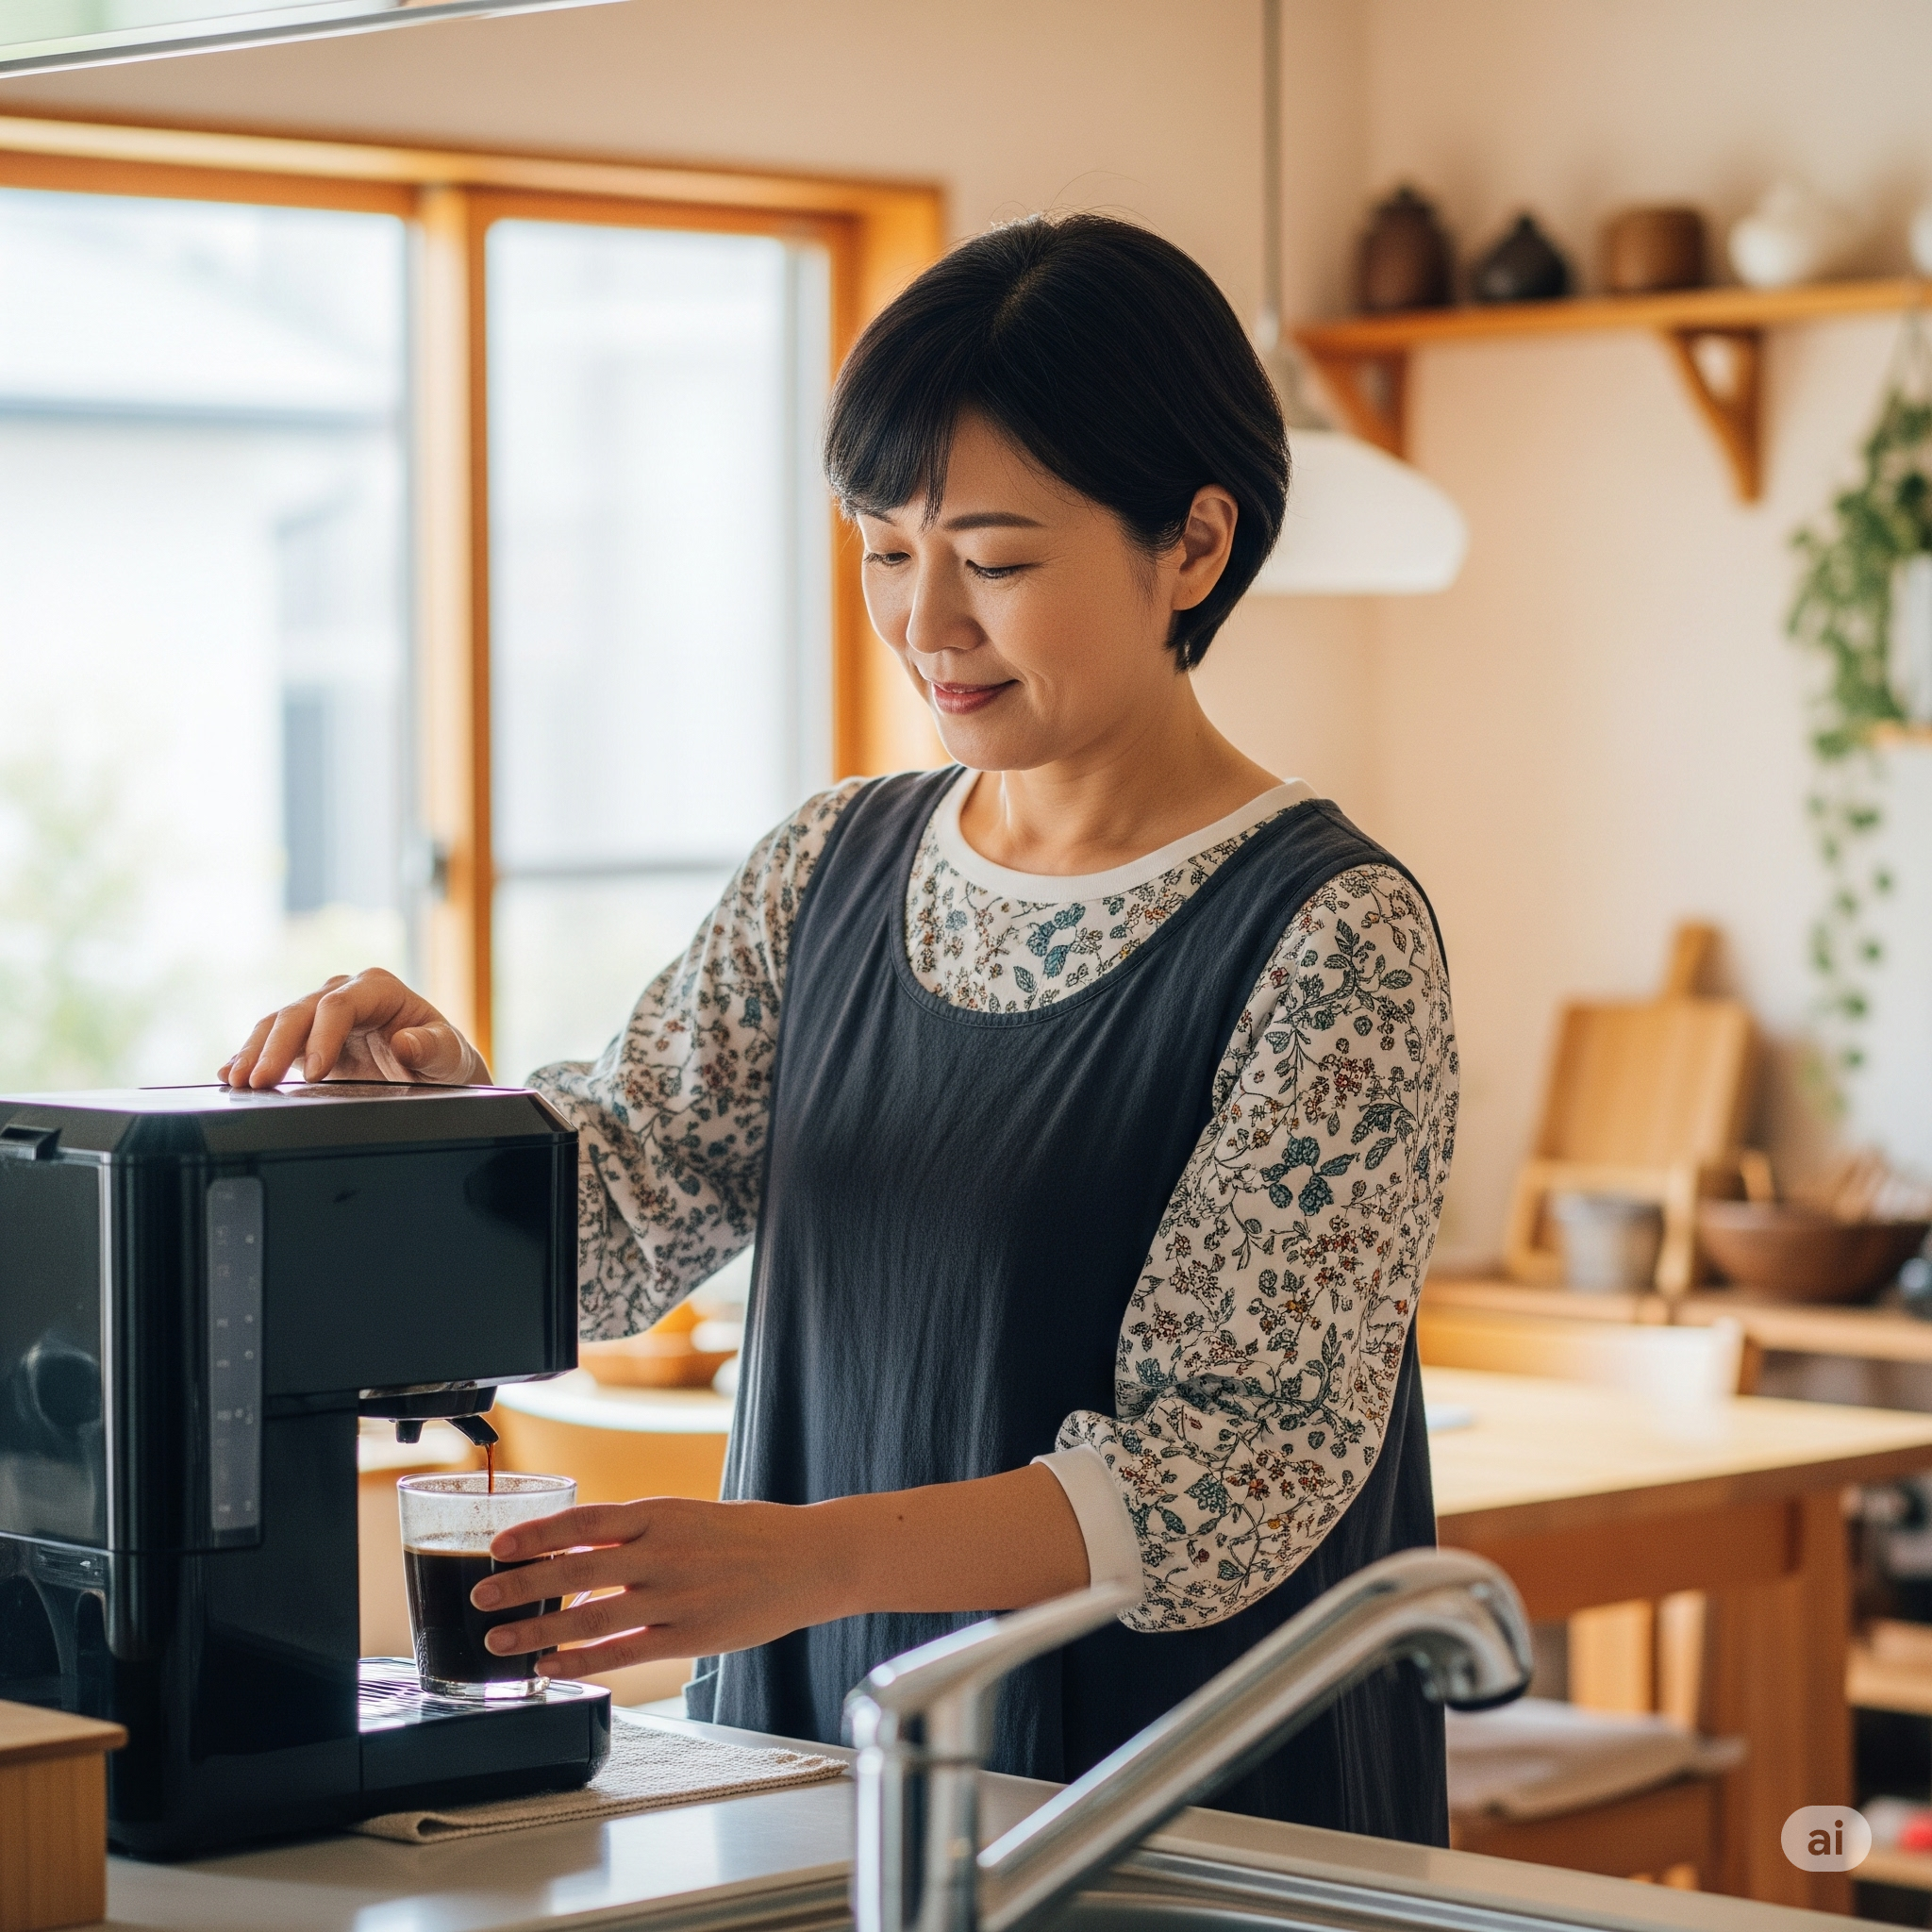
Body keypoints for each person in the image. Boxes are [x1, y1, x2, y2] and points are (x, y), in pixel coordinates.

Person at [223, 213, 1457, 1842]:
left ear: (1195, 545)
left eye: (998, 560)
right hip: (822, 1753)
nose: (928, 623)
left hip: (1163, 1785)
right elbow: (621, 1205)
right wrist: (440, 1120)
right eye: (885, 549)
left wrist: (795, 1563)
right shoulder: (832, 864)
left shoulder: (1330, 933)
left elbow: (1228, 1475)